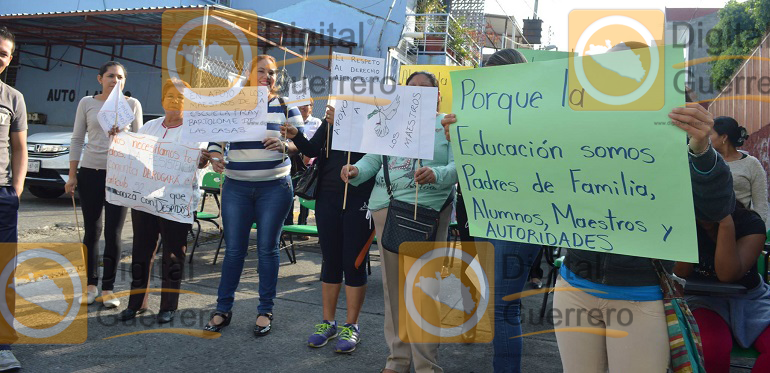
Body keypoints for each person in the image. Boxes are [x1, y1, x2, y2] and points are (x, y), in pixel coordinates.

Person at [440, 45, 737, 372]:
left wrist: (701, 149)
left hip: (640, 292)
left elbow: (716, 209)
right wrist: (471, 138)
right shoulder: (572, 127)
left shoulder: (674, 132)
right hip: (575, 286)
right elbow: (524, 172)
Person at [341, 71, 457, 373]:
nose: (416, 93)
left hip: (428, 214)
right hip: (388, 210)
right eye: (411, 88)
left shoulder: (449, 124)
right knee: (394, 292)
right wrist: (355, 170)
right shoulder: (391, 122)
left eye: (423, 88)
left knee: (424, 291)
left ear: (437, 96)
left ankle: (426, 365)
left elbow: (462, 164)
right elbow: (373, 159)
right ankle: (397, 360)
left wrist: (439, 174)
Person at [438, 48, 543, 372]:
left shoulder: (538, 116)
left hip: (522, 219)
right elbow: (473, 174)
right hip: (489, 217)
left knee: (502, 306)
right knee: (497, 304)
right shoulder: (481, 114)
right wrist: (457, 139)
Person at [204, 55, 304, 336]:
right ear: (248, 75)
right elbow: (216, 141)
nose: (267, 76)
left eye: (272, 73)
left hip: (275, 187)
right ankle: (222, 309)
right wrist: (214, 156)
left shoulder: (285, 105)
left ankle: (265, 310)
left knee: (267, 249)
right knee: (234, 250)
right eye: (261, 71)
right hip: (235, 187)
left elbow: (302, 142)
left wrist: (286, 145)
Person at [280, 102, 375, 353]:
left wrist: (355, 122)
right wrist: (296, 135)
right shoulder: (332, 118)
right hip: (327, 197)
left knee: (354, 261)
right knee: (330, 259)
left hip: (360, 199)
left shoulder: (375, 117)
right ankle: (328, 323)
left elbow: (378, 154)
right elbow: (312, 149)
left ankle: (351, 326)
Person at [118, 79, 210, 324]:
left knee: (172, 255)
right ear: (163, 100)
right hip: (145, 199)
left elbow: (200, 162)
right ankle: (136, 303)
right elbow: (133, 155)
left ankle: (168, 306)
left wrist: (202, 160)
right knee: (141, 251)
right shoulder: (149, 127)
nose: (175, 101)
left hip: (177, 202)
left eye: (181, 98)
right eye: (170, 96)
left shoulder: (196, 131)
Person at [66, 61, 143, 308]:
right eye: (111, 76)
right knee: (92, 230)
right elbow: (77, 138)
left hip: (119, 174)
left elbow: (139, 143)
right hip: (91, 171)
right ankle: (91, 285)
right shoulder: (87, 103)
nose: (115, 81)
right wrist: (72, 174)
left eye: (120, 77)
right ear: (100, 78)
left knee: (114, 232)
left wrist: (123, 136)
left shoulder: (132, 105)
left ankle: (108, 289)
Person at [674, 202, 770, 373]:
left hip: (751, 300)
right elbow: (681, 271)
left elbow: (728, 275)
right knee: (711, 348)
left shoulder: (749, 223)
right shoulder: (684, 221)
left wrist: (725, 222)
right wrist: (686, 223)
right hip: (703, 299)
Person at [0, 25, 27, 372]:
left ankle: (2, 344)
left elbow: (19, 148)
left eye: (4, 53)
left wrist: (16, 191)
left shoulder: (13, 98)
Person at [711, 116, 769, 225]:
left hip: (741, 226)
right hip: (709, 226)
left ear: (724, 137)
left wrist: (757, 230)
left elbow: (761, 204)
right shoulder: (707, 161)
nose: (706, 138)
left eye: (710, 134)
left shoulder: (751, 164)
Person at [283, 98, 321, 235]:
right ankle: (287, 225)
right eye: (300, 104)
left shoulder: (317, 123)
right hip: (293, 163)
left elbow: (315, 145)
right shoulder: (291, 120)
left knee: (305, 192)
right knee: (290, 193)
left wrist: (307, 158)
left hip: (309, 166)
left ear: (311, 107)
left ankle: (302, 227)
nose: (302, 107)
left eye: (306, 105)